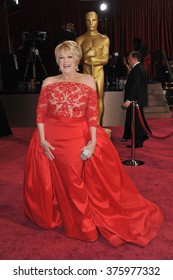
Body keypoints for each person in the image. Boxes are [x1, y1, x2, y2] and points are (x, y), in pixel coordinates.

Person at [23, 41, 163, 248]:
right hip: (49, 137)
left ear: (77, 59)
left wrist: (92, 143)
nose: (65, 61)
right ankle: (67, 217)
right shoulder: (48, 82)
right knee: (54, 180)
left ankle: (82, 226)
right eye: (61, 57)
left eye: (69, 57)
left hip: (76, 136)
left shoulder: (88, 80)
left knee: (73, 180)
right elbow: (41, 114)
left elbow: (91, 116)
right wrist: (42, 140)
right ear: (56, 61)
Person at [76, 11, 110, 124]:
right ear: (85, 22)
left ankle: (98, 124)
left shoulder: (104, 39)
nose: (91, 23)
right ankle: (86, 123)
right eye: (88, 20)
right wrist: (86, 56)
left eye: (94, 20)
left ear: (97, 21)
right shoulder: (80, 39)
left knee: (99, 98)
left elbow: (105, 59)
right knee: (85, 100)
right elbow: (77, 61)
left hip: (98, 72)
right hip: (85, 72)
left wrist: (95, 60)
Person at [122, 51, 152, 147]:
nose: (128, 60)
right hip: (137, 100)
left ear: (134, 59)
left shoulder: (137, 69)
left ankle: (138, 141)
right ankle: (142, 136)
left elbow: (136, 86)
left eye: (130, 59)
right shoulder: (137, 68)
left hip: (135, 101)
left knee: (136, 122)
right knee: (137, 120)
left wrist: (129, 100)